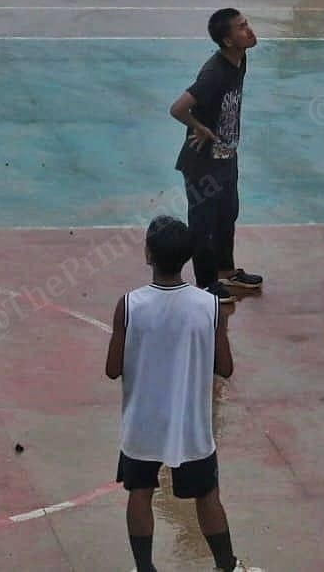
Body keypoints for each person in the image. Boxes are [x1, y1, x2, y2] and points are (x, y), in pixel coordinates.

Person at [105, 216, 256, 572]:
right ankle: (227, 566)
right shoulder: (209, 306)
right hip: (190, 422)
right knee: (207, 495)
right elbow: (226, 367)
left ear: (148, 255)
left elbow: (112, 369)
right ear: (187, 257)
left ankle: (144, 569)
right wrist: (218, 330)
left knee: (139, 492)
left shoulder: (129, 305)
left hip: (143, 421)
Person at [170, 8, 263, 303]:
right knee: (203, 224)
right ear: (227, 40)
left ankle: (226, 270)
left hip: (226, 157)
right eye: (241, 27)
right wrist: (198, 127)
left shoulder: (240, 59)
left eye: (246, 24)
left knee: (227, 216)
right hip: (203, 164)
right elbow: (178, 108)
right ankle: (206, 284)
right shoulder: (215, 73)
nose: (249, 30)